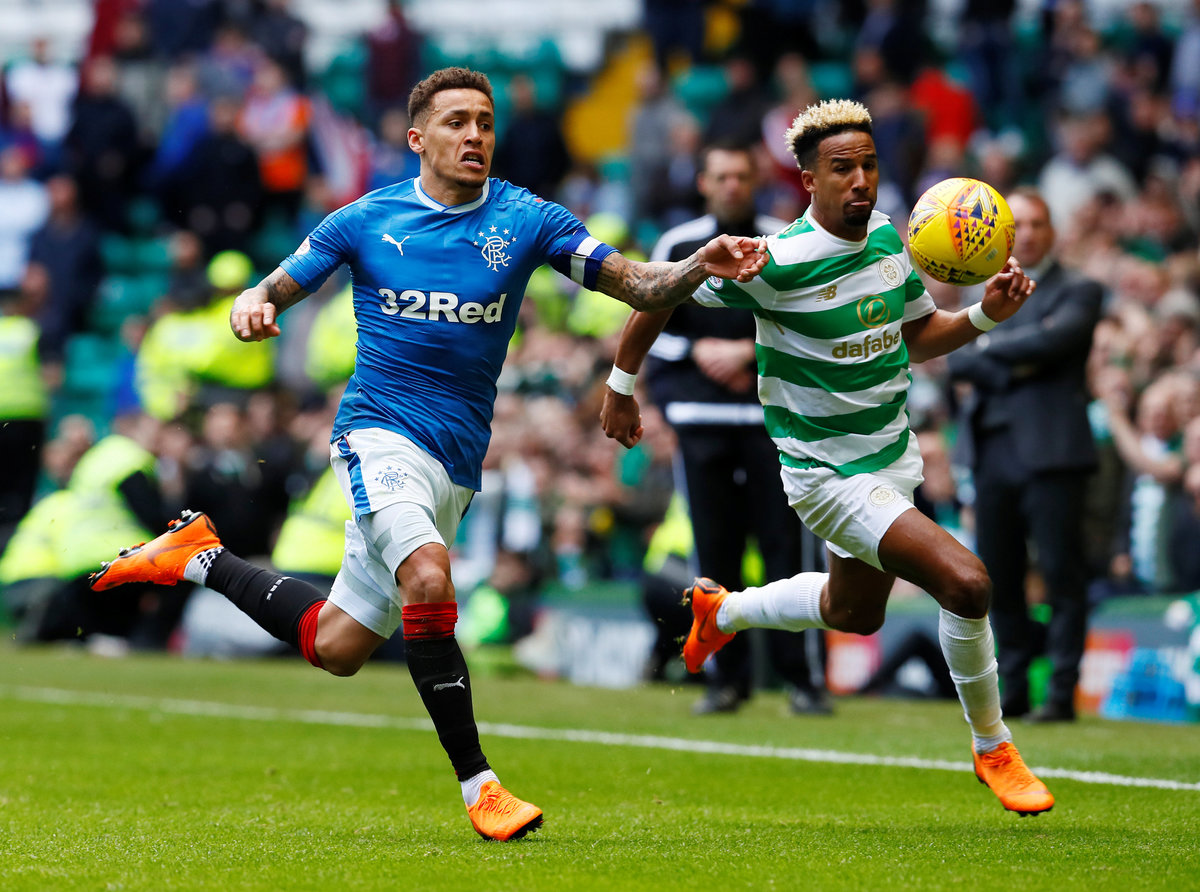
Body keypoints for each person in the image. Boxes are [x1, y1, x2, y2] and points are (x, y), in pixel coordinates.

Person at [88, 67, 767, 842]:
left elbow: (642, 286)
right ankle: (482, 787)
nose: (475, 135)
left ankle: (198, 556)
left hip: (455, 463)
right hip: (376, 434)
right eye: (456, 122)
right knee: (429, 575)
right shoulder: (365, 220)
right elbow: (276, 287)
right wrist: (253, 302)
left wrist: (698, 265)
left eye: (485, 122)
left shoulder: (528, 218)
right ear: (417, 138)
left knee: (337, 646)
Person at [601, 98, 1054, 816]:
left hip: (891, 458)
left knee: (854, 611)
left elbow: (915, 335)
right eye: (843, 168)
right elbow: (661, 294)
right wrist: (622, 386)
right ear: (809, 180)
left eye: (869, 165)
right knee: (968, 584)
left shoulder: (888, 237)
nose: (861, 180)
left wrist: (983, 315)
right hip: (827, 475)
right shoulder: (775, 262)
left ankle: (723, 611)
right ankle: (993, 745)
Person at [637, 140, 831, 716]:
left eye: (741, 176)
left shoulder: (786, 240)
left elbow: (815, 321)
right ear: (703, 183)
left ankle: (803, 680)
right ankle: (727, 680)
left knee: (789, 551)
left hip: (776, 426)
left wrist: (747, 352)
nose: (731, 186)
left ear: (756, 181)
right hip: (702, 426)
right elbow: (649, 323)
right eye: (721, 176)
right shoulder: (677, 245)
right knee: (713, 557)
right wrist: (697, 351)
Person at [946, 188, 1102, 723]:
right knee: (999, 577)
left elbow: (1055, 344)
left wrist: (989, 348)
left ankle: (1061, 692)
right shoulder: (984, 291)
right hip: (991, 452)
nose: (1029, 233)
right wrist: (1019, 358)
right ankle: (1013, 687)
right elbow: (957, 360)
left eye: (1038, 223)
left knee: (1062, 574)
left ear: (1052, 231)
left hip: (1054, 453)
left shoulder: (1079, 289)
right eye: (1020, 225)